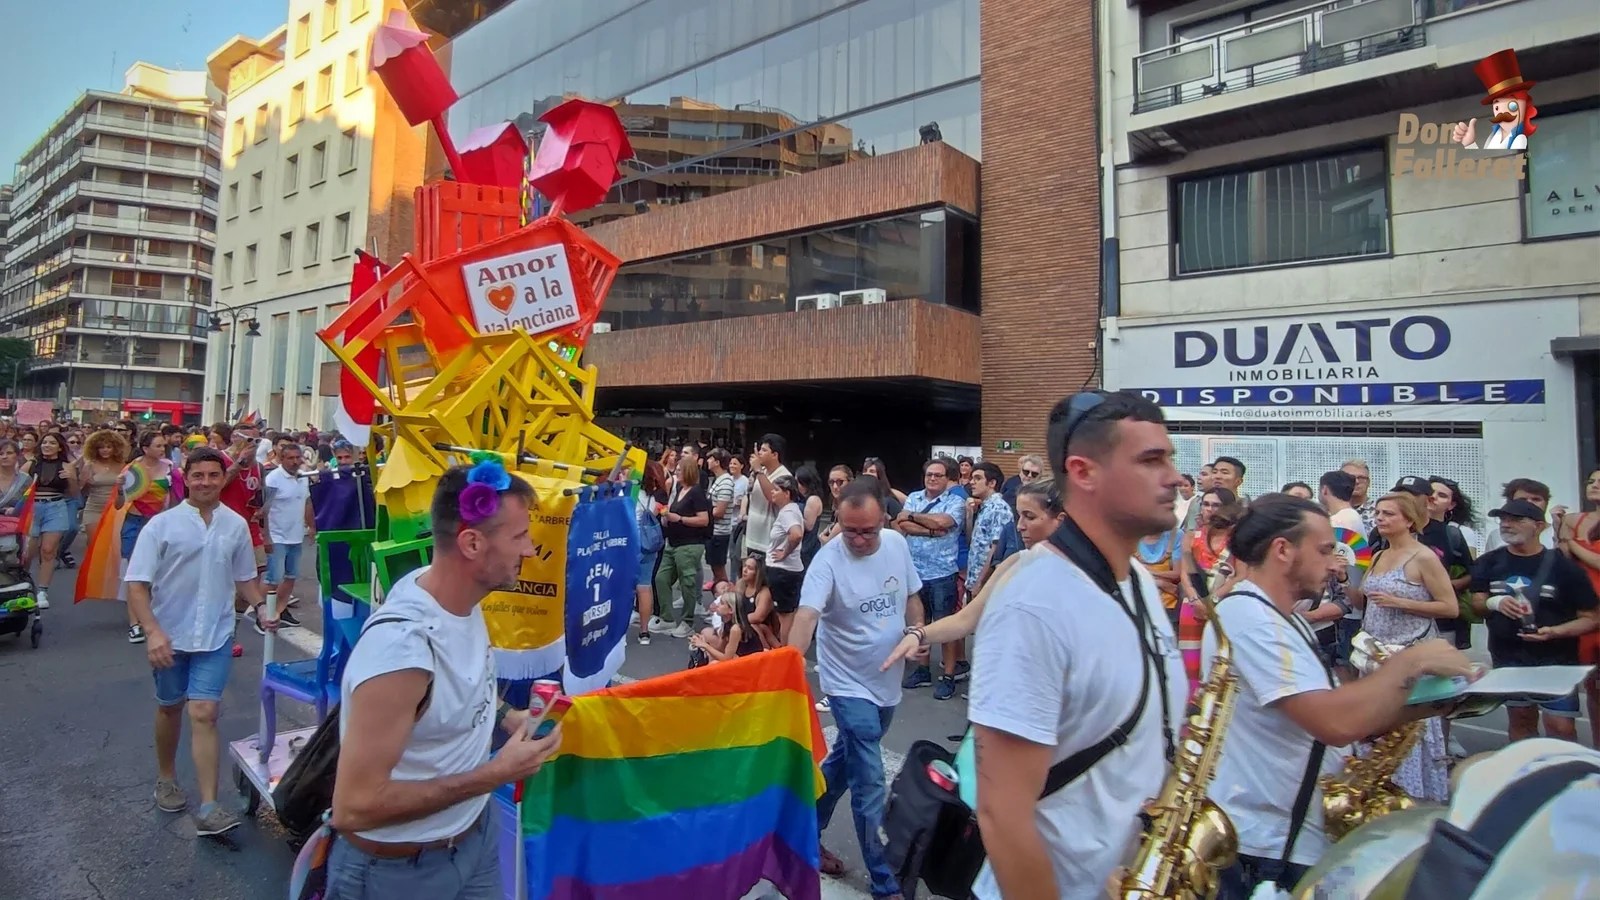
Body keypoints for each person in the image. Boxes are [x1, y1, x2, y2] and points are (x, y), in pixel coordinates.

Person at [1201, 494, 1476, 898]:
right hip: (1269, 845)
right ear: (1282, 550)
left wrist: (1434, 702)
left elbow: (1344, 722)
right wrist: (1409, 663)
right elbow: (1334, 723)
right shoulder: (1249, 618)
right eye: (1326, 550)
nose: (1335, 563)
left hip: (1293, 836)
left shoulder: (1281, 617)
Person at [968, 391, 1187, 898]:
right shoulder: (1034, 604)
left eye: (1169, 457)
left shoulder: (1132, 577)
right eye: (1151, 459)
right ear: (1083, 472)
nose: (1174, 476)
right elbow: (1002, 815)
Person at [327, 460, 563, 900]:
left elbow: (456, 685)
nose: (530, 550)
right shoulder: (402, 651)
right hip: (398, 873)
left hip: (474, 838)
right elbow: (353, 808)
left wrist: (506, 715)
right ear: (472, 543)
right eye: (519, 537)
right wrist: (495, 774)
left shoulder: (455, 597)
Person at [125, 448, 274, 837]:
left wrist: (260, 606)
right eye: (198, 475)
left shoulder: (236, 525)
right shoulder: (162, 525)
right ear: (186, 478)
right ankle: (166, 777)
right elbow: (137, 585)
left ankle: (209, 805)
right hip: (169, 636)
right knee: (170, 708)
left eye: (213, 475)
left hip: (215, 634)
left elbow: (244, 577)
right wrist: (153, 631)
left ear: (222, 478)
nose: (206, 482)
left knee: (205, 712)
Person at [787, 478, 924, 900]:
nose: (860, 540)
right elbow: (807, 617)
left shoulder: (897, 545)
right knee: (869, 784)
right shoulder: (827, 562)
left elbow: (913, 597)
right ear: (838, 520)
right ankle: (885, 883)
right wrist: (789, 666)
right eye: (850, 531)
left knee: (843, 762)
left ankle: (801, 837)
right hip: (847, 685)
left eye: (868, 530)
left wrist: (917, 633)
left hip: (887, 682)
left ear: (884, 518)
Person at [1469, 498, 1600, 742]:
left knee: (1560, 727)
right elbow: (1476, 605)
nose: (1507, 524)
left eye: (1517, 520)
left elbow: (1592, 618)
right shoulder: (1488, 562)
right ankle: (1526, 773)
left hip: (1556, 661)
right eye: (1503, 519)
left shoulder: (1564, 567)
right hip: (1508, 657)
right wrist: (1494, 603)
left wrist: (1555, 632)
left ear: (1540, 526)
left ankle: (1564, 775)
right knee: (1520, 721)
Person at [255, 442, 314, 633]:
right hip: (277, 536)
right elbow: (264, 510)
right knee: (273, 578)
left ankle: (280, 611)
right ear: (281, 459)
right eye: (291, 458)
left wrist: (312, 526)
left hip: (296, 535)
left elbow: (306, 503)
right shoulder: (273, 479)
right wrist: (266, 538)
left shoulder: (303, 477)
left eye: (298, 458)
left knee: (290, 577)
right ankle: (260, 613)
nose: (295, 461)